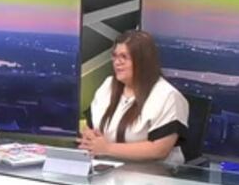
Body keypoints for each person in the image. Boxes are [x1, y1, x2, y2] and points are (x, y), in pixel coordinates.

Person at [78, 30, 189, 164]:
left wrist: (107, 148)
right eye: (115, 56)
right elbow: (90, 127)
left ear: (143, 61)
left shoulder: (168, 96)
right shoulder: (108, 85)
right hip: (105, 169)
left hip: (152, 174)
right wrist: (89, 137)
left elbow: (159, 150)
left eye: (124, 57)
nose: (117, 62)